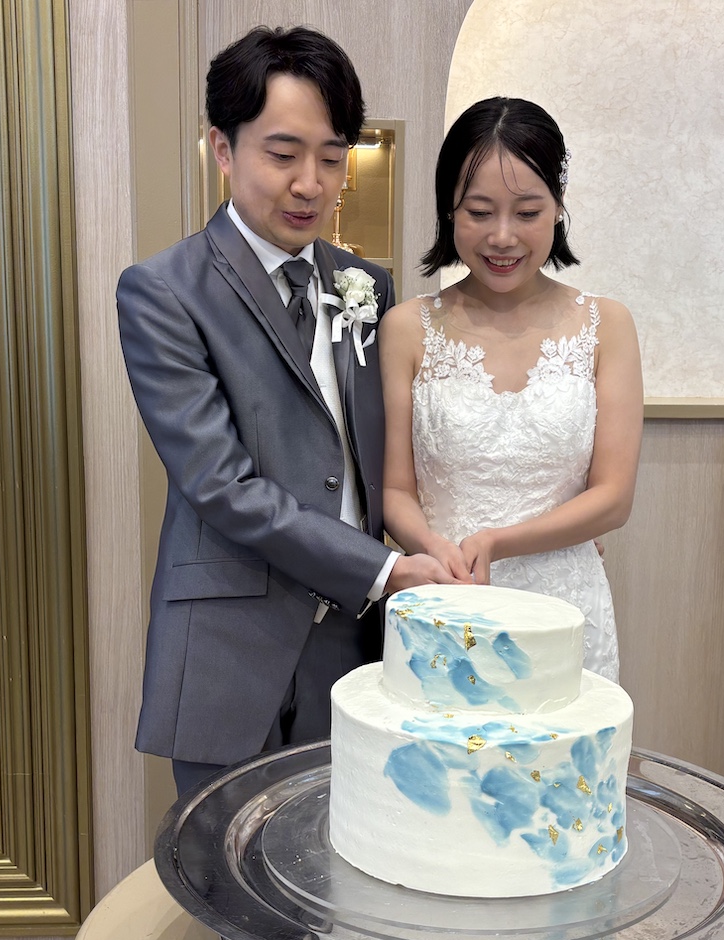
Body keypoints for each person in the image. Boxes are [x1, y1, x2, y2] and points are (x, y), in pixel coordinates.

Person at [117, 26, 452, 796]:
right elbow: (220, 483)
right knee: (229, 863)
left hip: (353, 646)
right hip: (228, 646)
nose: (310, 183)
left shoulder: (366, 286)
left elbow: (381, 458)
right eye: (282, 154)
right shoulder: (163, 291)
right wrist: (382, 570)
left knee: (349, 855)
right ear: (222, 148)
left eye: (332, 158)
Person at [378, 97, 644, 680]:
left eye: (527, 212)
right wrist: (433, 547)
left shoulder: (607, 325)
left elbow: (614, 496)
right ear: (450, 210)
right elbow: (395, 488)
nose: (502, 236)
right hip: (447, 599)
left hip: (565, 609)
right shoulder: (406, 327)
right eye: (479, 212)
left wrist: (500, 541)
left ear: (558, 207)